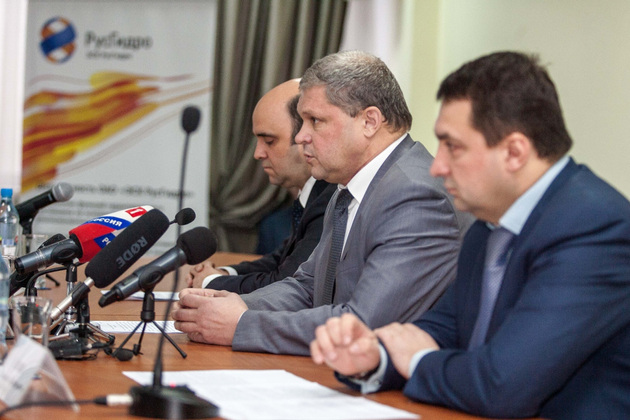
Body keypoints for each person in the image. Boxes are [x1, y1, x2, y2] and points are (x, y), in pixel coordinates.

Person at [310, 51, 630, 420]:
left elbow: (502, 385)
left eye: (453, 147)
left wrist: (418, 360)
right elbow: (445, 328)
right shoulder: (489, 225)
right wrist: (375, 356)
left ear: (514, 152)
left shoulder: (595, 229)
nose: (437, 166)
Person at [172, 50, 471, 355]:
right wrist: (231, 305)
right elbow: (306, 287)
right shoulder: (348, 188)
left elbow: (364, 324)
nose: (301, 136)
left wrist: (242, 324)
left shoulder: (415, 196)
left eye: (315, 121)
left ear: (369, 121)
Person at [185, 79, 336, 294]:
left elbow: (287, 282)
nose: (258, 153)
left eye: (269, 141)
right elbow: (282, 259)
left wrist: (210, 282)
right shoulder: (316, 192)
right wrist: (223, 274)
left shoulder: (330, 198)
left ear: (306, 137)